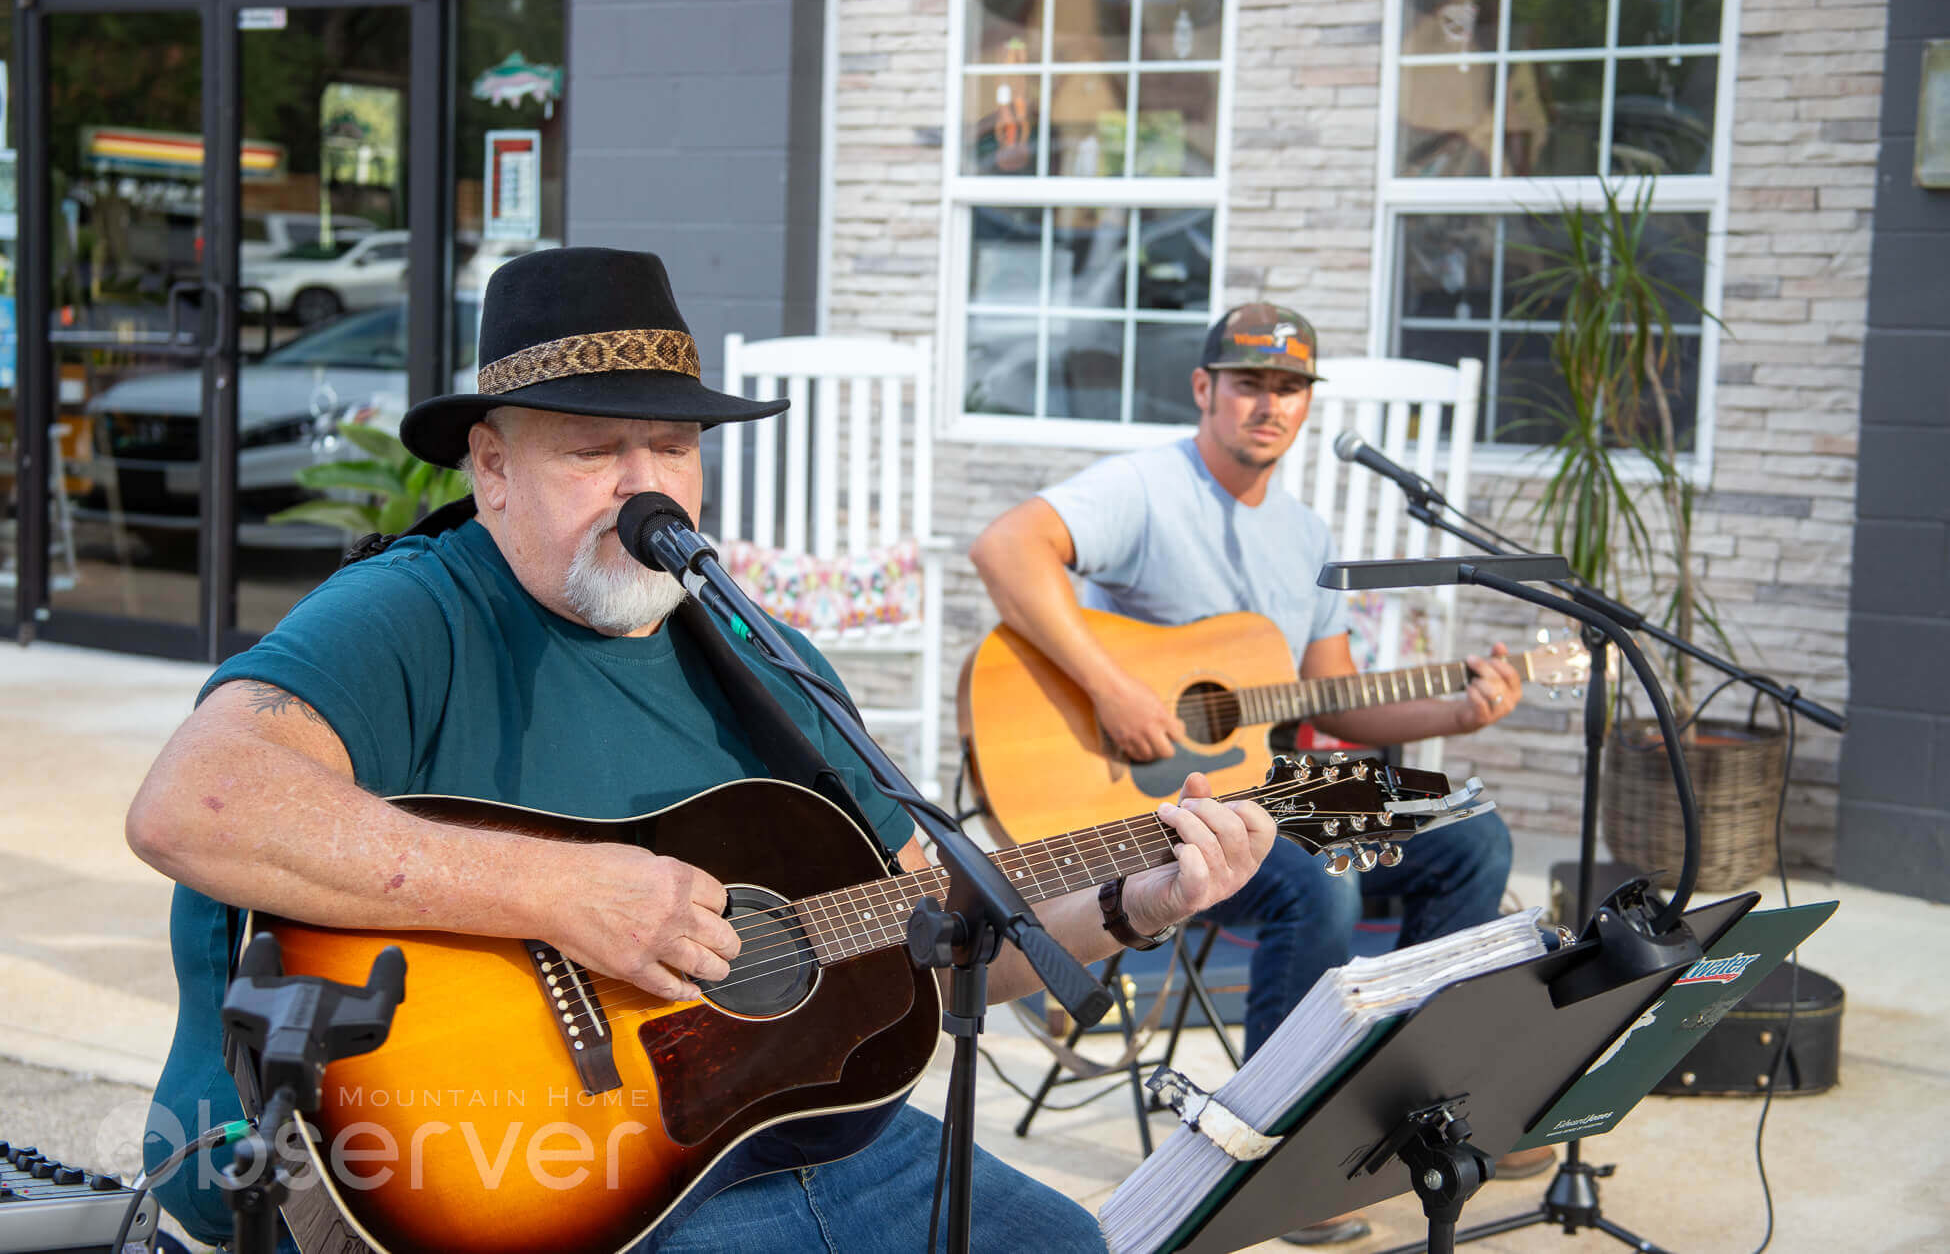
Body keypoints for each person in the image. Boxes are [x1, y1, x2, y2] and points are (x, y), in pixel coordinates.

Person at [125, 248, 1281, 1253]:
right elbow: (196, 804)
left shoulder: (760, 655)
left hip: (781, 1141)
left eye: (672, 446)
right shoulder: (415, 610)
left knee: (1068, 1243)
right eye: (595, 449)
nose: (646, 487)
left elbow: (935, 926)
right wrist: (563, 891)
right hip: (537, 1170)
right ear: (491, 466)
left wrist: (1141, 900)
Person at [970, 303, 1547, 1245]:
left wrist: (1457, 708)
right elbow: (1006, 548)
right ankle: (1279, 1149)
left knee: (1466, 834)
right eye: (1249, 384)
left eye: (1288, 388)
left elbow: (1333, 703)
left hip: (1266, 789)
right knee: (1310, 885)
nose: (1268, 404)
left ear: (1306, 406)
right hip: (1160, 801)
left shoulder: (1305, 534)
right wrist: (1114, 690)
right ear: (1206, 390)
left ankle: (1421, 1101)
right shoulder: (1147, 487)